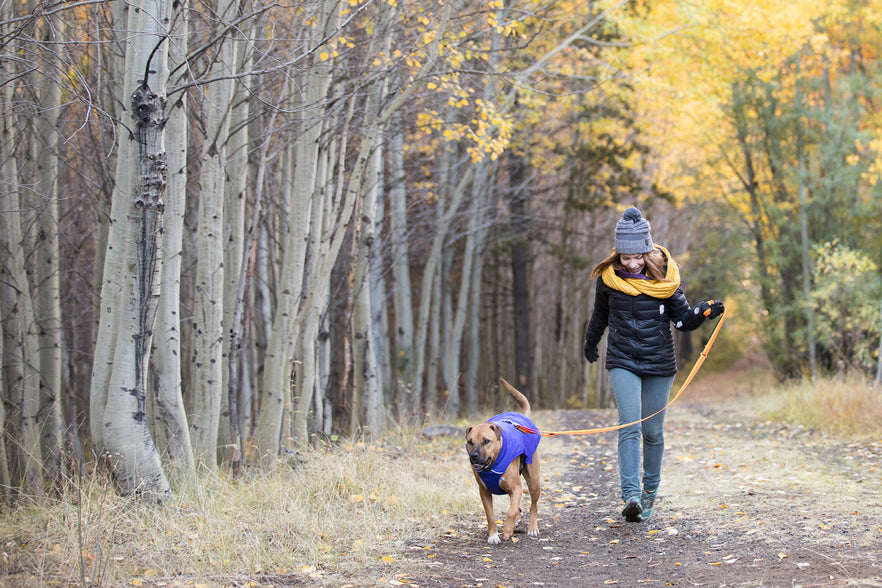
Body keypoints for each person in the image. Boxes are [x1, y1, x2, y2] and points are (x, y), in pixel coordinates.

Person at [583, 206, 724, 523]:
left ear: (647, 252)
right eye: (625, 258)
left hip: (659, 361)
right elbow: (600, 317)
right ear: (618, 254)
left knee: (653, 431)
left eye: (636, 258)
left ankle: (649, 494)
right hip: (622, 359)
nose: (631, 264)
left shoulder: (667, 276)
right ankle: (630, 495)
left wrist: (702, 312)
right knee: (629, 425)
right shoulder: (609, 279)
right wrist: (590, 343)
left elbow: (682, 321)